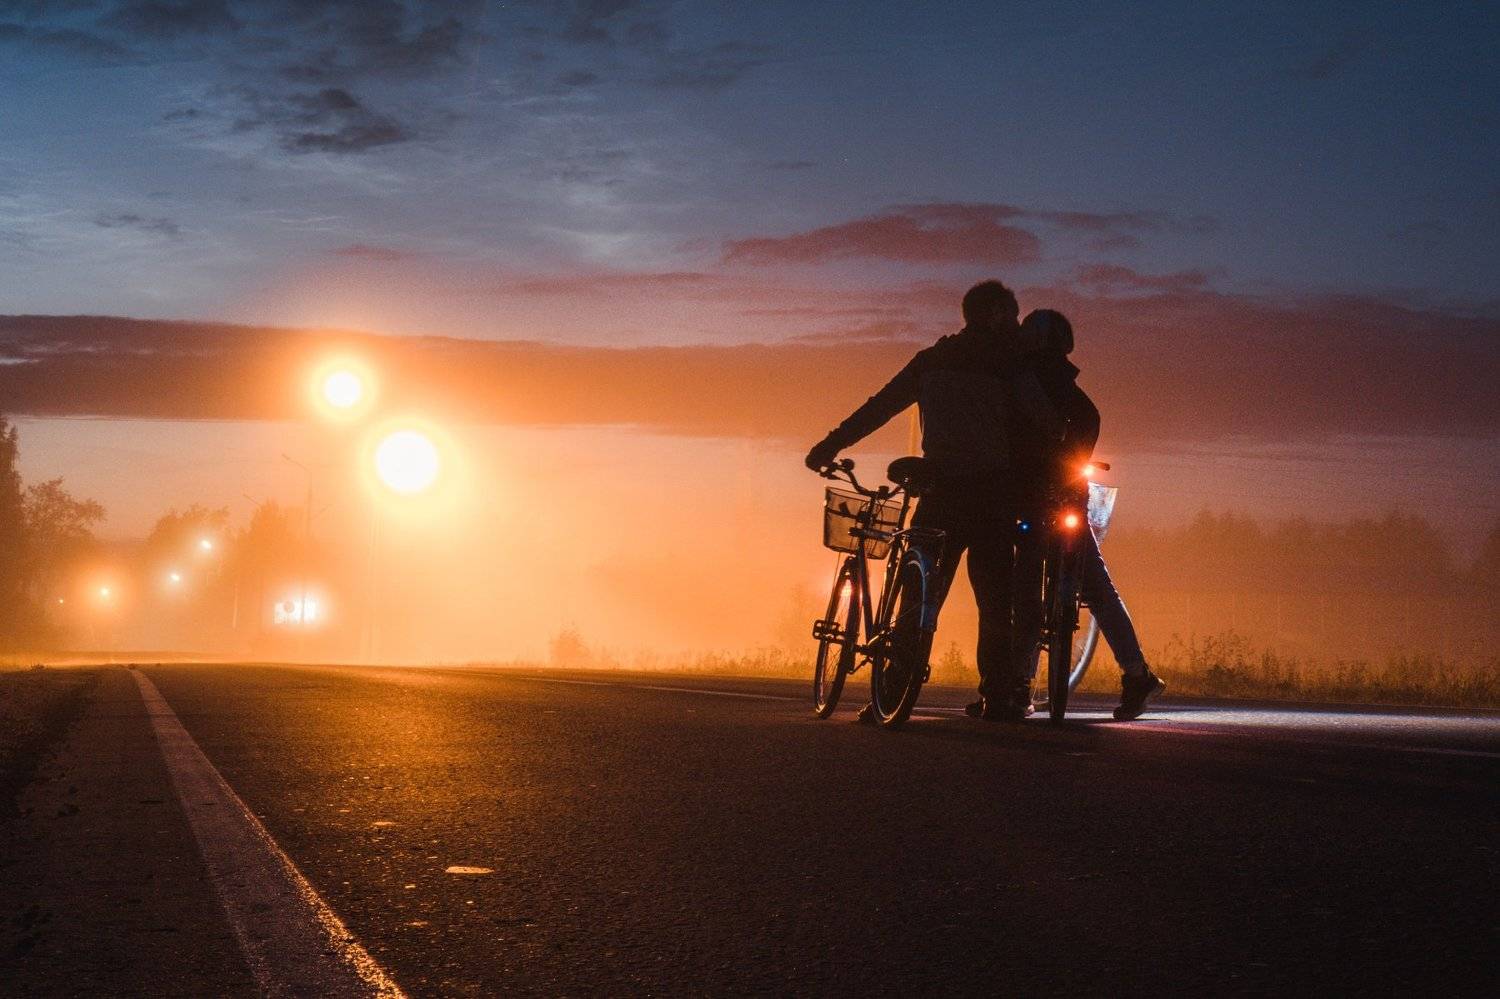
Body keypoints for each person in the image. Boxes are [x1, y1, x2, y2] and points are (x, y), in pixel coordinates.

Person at [805, 280, 1061, 721]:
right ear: (997, 315)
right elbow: (1048, 424)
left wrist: (829, 446)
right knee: (994, 601)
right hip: (992, 495)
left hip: (939, 491)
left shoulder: (931, 360)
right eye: (1013, 317)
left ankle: (891, 692)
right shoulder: (1011, 366)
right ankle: (998, 697)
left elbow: (879, 407)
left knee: (917, 594)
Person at [1013, 309, 1165, 720]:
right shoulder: (1082, 405)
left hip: (1036, 504)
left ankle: (1019, 684)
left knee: (1026, 586)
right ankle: (1136, 674)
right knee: (1096, 587)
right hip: (1067, 503)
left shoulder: (1020, 388)